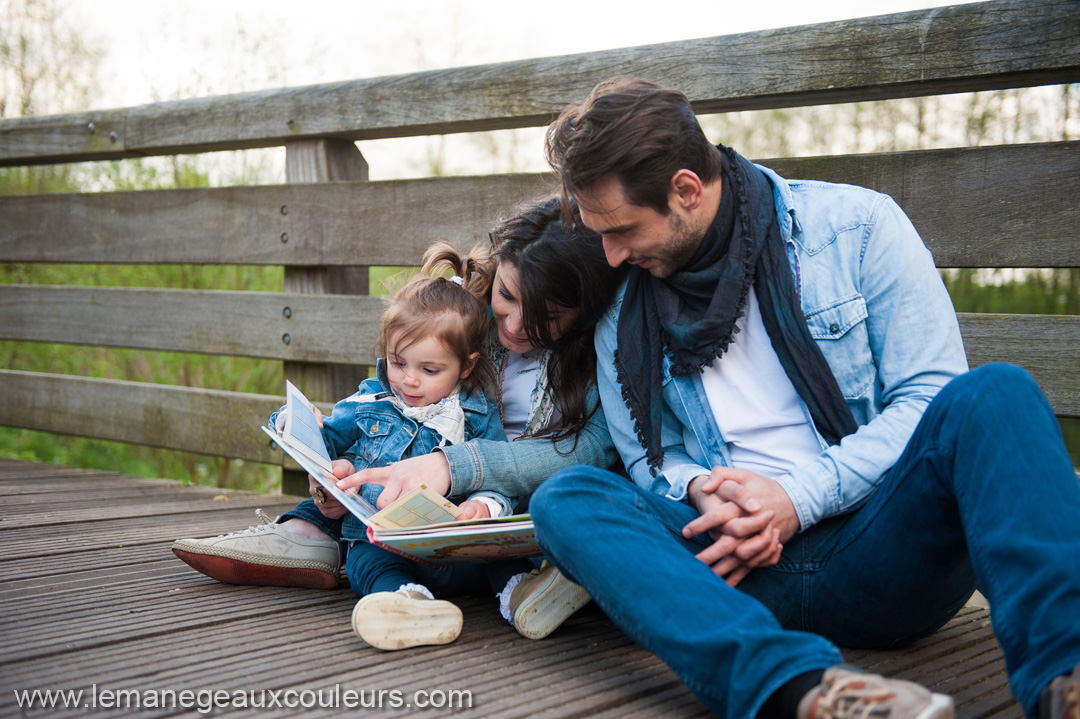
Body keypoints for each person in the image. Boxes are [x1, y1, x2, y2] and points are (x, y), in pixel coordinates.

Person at [528, 76, 1080, 719]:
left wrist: (795, 499)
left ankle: (1065, 679)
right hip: (732, 573)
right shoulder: (623, 318)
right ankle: (808, 693)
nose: (612, 255)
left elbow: (928, 397)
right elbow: (656, 462)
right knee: (567, 499)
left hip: (882, 548)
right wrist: (699, 490)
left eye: (622, 229)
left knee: (995, 393)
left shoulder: (858, 230)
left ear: (685, 189)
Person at [173, 195, 627, 648]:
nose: (513, 325)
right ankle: (319, 538)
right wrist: (321, 453)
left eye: (546, 317)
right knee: (361, 499)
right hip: (399, 504)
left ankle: (523, 591)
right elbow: (384, 409)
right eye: (506, 295)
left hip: (499, 503)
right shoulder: (463, 314)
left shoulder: (596, 350)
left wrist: (461, 475)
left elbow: (594, 447)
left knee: (486, 542)